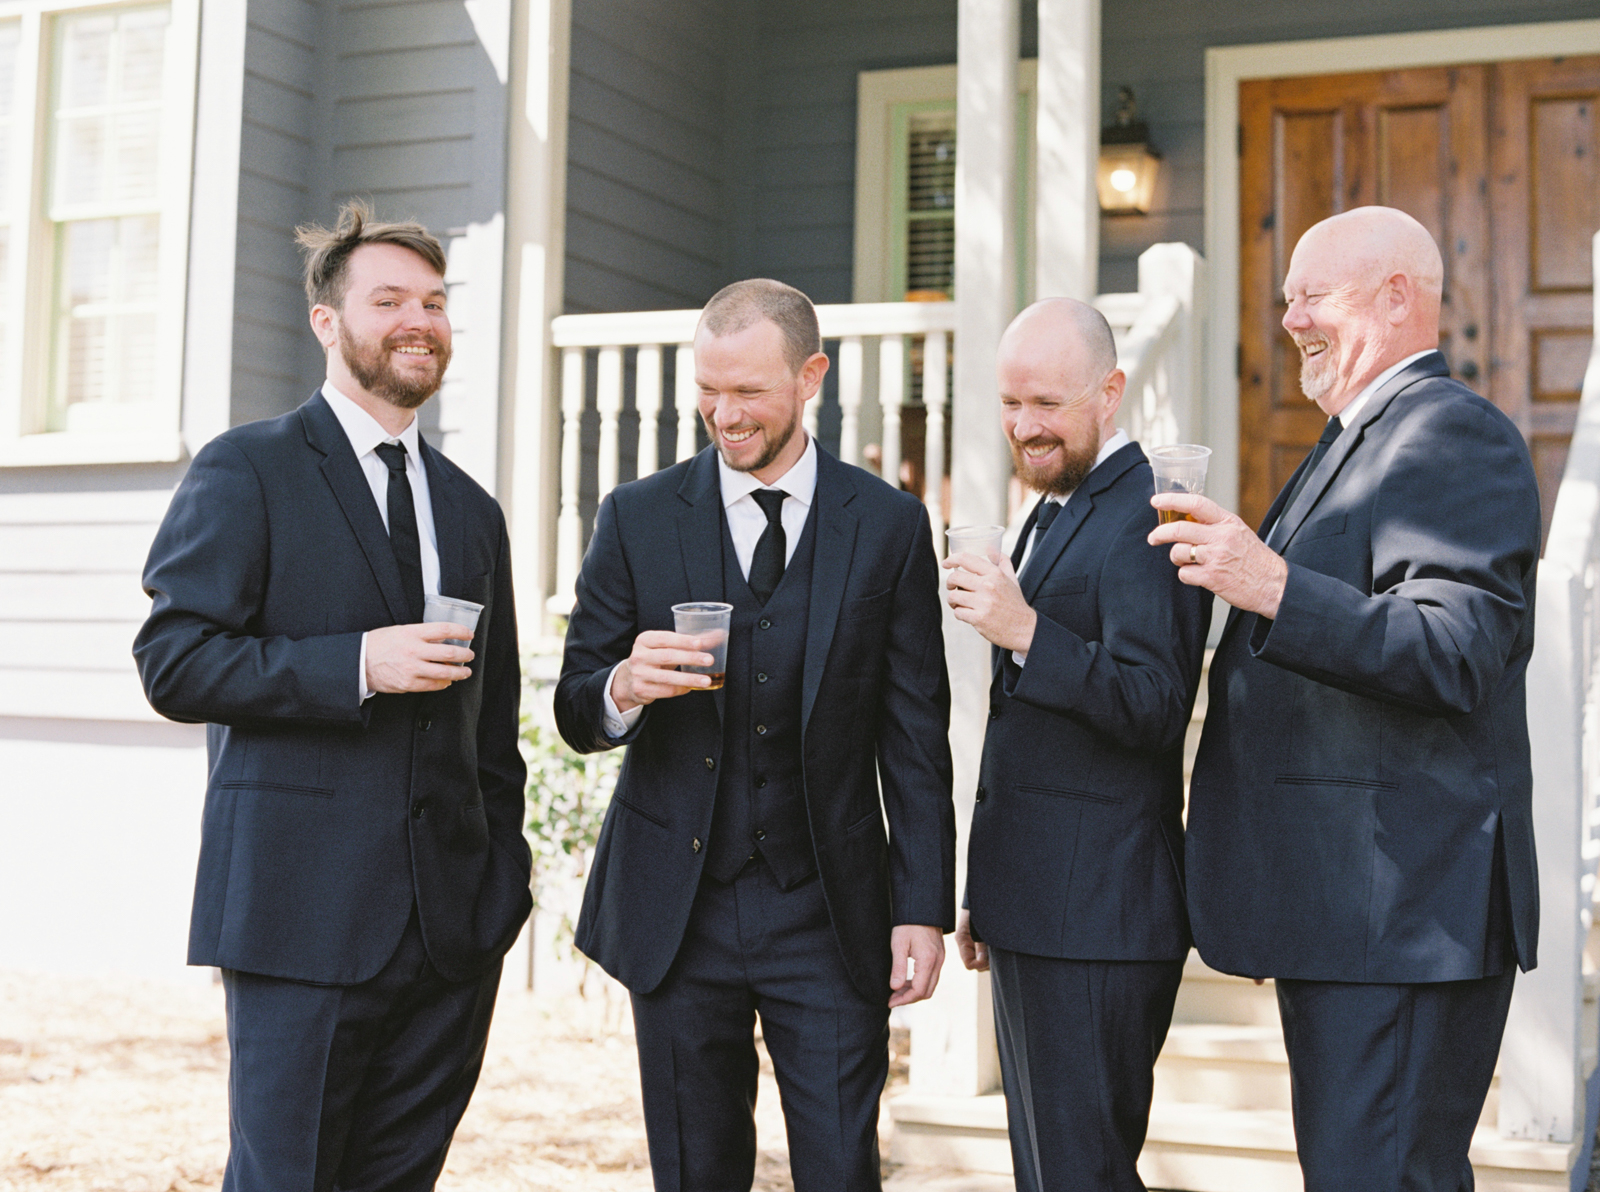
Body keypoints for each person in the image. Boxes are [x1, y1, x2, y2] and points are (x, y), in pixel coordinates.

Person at [134, 202, 530, 1192]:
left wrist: (500, 886)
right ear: (327, 322)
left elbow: (495, 730)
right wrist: (355, 663)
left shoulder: (472, 511)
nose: (418, 320)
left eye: (434, 302)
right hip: (296, 916)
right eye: (388, 298)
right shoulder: (249, 467)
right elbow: (174, 659)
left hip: (449, 934)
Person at [1150, 206, 1541, 1191]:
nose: (1289, 320)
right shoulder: (1349, 441)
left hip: (1405, 916)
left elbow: (1455, 649)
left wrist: (1269, 582)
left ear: (1399, 295)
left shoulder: (1452, 434)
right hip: (1349, 919)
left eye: (1310, 294)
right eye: (1286, 298)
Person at [555, 278, 955, 1192]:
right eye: (708, 389)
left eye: (749, 392)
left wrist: (921, 907)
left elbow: (913, 736)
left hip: (828, 909)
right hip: (678, 909)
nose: (723, 415)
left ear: (810, 376)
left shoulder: (888, 527)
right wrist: (622, 685)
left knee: (841, 1169)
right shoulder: (638, 517)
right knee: (695, 1174)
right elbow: (577, 705)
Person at [944, 298, 1210, 1192]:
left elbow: (1155, 706)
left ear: (1111, 392)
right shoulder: (1058, 512)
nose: (1025, 427)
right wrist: (991, 887)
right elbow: (1029, 736)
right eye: (1011, 404)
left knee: (1082, 1176)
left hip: (1101, 915)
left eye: (1048, 405)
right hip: (1039, 906)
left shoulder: (1148, 514)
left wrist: (1024, 630)